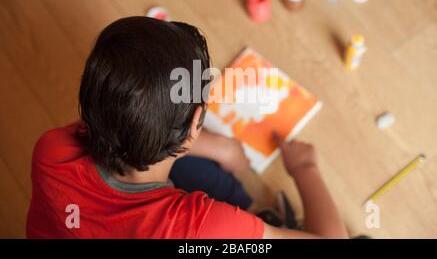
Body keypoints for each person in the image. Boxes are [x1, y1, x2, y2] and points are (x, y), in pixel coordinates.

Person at [26, 17, 348, 239]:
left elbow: (128, 125)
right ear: (197, 122)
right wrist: (305, 168)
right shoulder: (200, 228)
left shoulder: (52, 150)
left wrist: (217, 147)